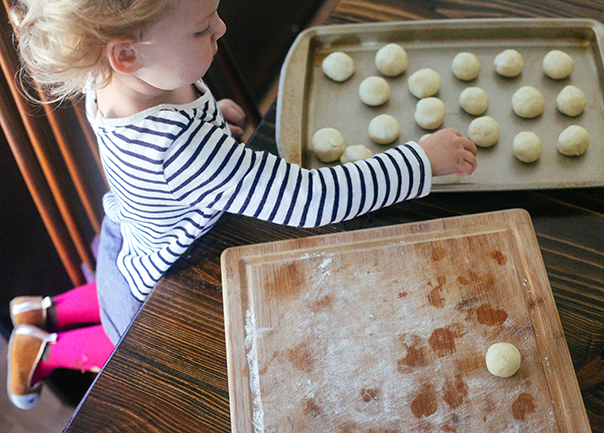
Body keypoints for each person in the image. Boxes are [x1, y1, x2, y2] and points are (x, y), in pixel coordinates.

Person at [6, 0, 477, 410]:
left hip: (129, 237)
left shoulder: (107, 73)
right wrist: (419, 162)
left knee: (118, 274)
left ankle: (42, 310)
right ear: (126, 54)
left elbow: (170, 150)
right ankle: (40, 351)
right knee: (116, 339)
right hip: (154, 295)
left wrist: (211, 127)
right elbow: (313, 198)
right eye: (202, 27)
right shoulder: (185, 152)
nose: (221, 29)